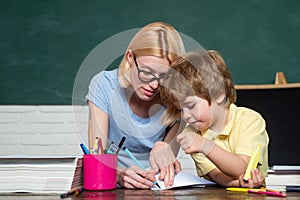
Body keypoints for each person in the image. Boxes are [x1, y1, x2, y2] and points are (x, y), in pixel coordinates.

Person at [85, 22, 186, 189]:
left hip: (154, 187)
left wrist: (165, 150)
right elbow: (97, 156)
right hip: (109, 186)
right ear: (130, 58)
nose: (154, 85)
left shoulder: (176, 97)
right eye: (146, 72)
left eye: (164, 76)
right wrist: (118, 175)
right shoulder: (104, 85)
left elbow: (165, 165)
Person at [160, 50, 269, 188]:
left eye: (191, 105)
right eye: (181, 109)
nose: (186, 115)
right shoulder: (192, 134)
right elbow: (216, 175)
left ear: (218, 94)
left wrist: (205, 145)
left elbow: (242, 169)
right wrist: (239, 184)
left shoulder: (250, 120)